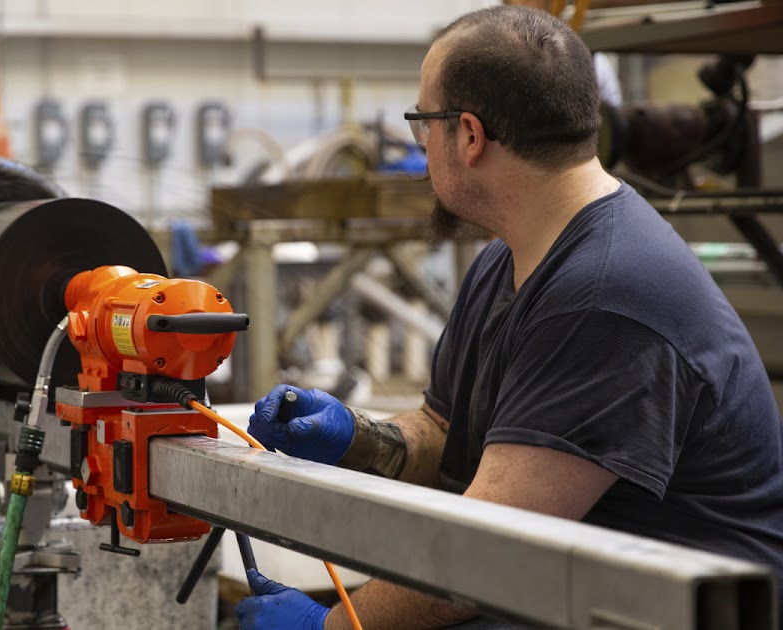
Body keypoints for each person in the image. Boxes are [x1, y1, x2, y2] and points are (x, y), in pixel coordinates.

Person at [236, 6, 783, 630]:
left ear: (469, 135)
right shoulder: (511, 256)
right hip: (564, 593)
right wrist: (356, 438)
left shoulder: (604, 295)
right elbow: (446, 433)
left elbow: (484, 555)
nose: (421, 146)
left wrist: (331, 627)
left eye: (423, 123)